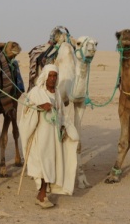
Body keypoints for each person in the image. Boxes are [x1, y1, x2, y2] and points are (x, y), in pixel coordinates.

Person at [19, 64, 79, 209]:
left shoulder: (57, 93)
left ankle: (42, 194)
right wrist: (40, 107)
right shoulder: (35, 92)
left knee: (51, 163)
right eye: (50, 76)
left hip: (53, 136)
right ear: (45, 77)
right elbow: (26, 111)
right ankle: (42, 195)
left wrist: (65, 127)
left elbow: (62, 114)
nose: (52, 79)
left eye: (55, 76)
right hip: (39, 135)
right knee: (42, 163)